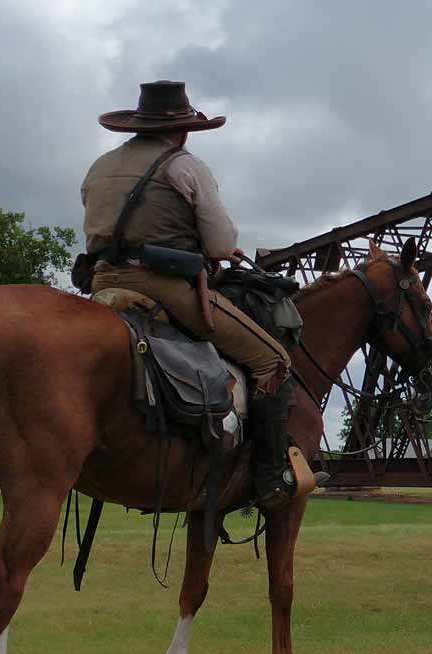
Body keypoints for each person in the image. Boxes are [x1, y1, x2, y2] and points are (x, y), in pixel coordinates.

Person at [82, 80, 297, 507]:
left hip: (101, 281)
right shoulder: (185, 166)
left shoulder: (100, 165)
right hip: (160, 285)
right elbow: (219, 244)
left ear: (137, 124)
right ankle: (270, 480)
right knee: (273, 360)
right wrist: (209, 249)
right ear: (182, 130)